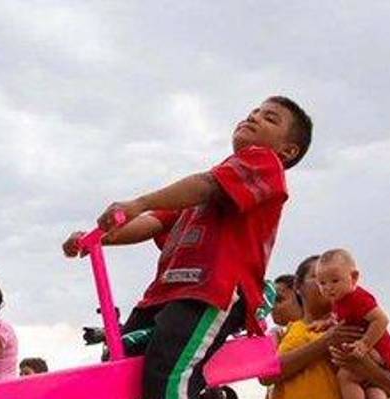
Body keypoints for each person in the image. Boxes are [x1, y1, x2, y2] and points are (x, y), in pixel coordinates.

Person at [63, 96, 314, 399]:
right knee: (120, 365)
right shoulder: (202, 192)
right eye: (253, 112)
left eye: (270, 118)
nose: (255, 117)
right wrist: (97, 239)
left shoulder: (265, 164)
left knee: (170, 375)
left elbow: (204, 185)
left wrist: (139, 202)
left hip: (212, 291)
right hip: (163, 295)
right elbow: (153, 222)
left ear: (288, 150)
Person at [264, 255, 390, 399]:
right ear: (298, 285)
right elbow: (264, 376)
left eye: (334, 279)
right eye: (319, 278)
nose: (328, 286)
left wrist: (366, 367)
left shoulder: (359, 328)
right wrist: (325, 342)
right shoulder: (277, 333)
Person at [311, 249, 390, 399]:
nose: (328, 287)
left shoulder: (357, 298)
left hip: (379, 350)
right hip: (376, 352)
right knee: (373, 388)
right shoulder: (340, 300)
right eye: (322, 283)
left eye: (334, 281)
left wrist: (365, 344)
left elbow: (382, 319)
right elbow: (341, 319)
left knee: (345, 376)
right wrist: (325, 323)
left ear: (354, 277)